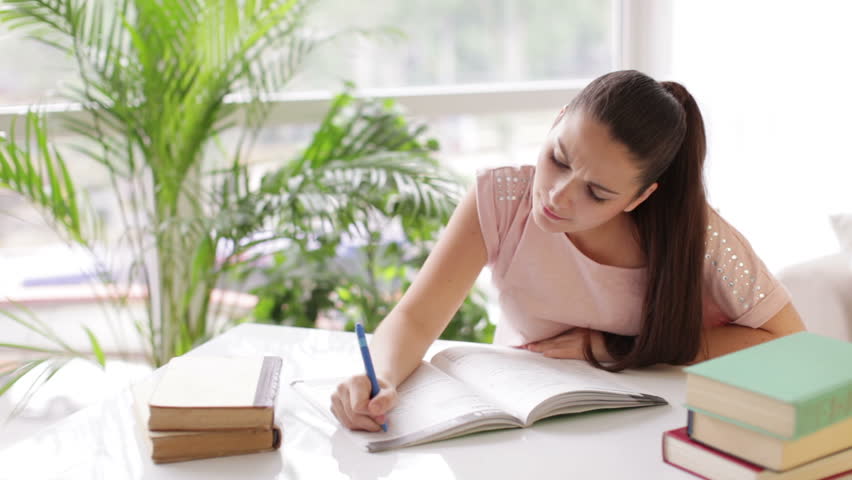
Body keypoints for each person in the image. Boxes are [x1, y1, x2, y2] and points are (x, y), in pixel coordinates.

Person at [330, 69, 806, 432]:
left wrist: (612, 348)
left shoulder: (695, 235)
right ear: (557, 120)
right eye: (558, 159)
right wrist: (379, 380)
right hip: (522, 421)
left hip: (648, 432)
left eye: (597, 193)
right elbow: (416, 318)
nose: (558, 196)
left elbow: (792, 344)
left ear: (639, 198)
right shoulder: (501, 199)